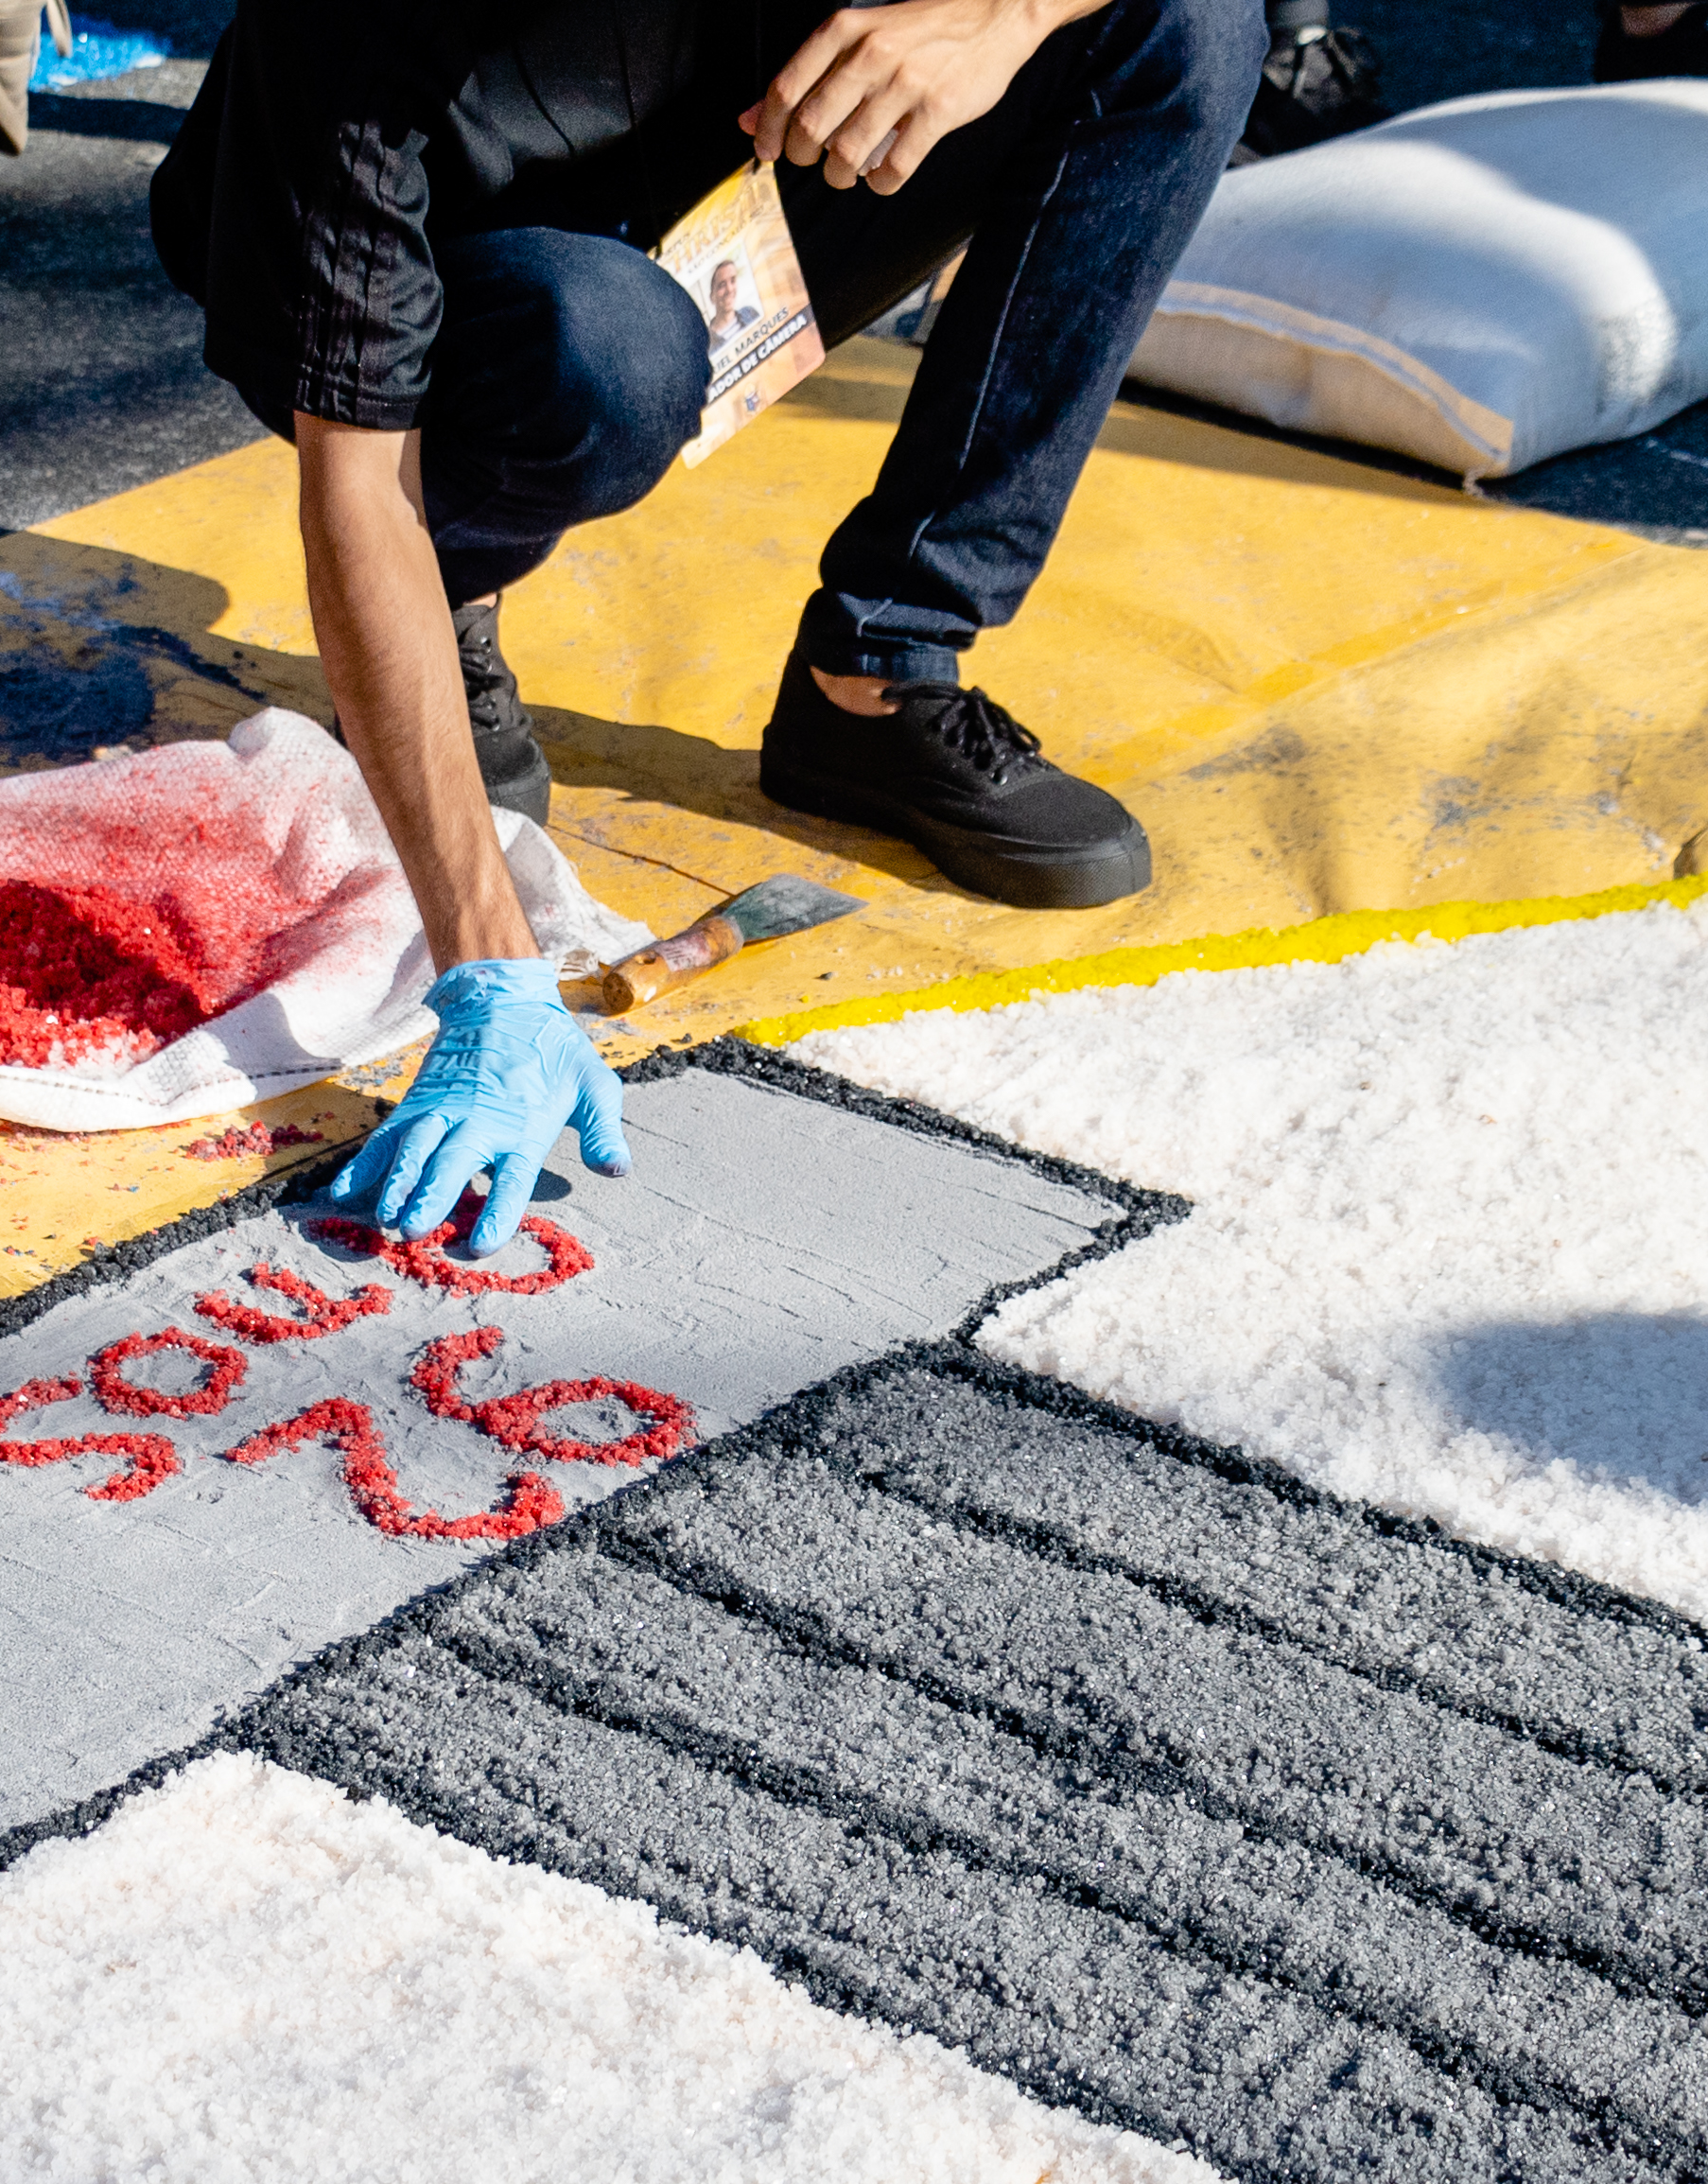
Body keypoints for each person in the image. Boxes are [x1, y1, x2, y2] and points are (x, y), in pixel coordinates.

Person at [151, 0, 1259, 1253]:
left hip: (727, 168)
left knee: (1181, 26)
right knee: (603, 356)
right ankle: (457, 590)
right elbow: (357, 486)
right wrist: (491, 976)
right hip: (461, 262)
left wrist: (1003, 18)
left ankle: (878, 663)